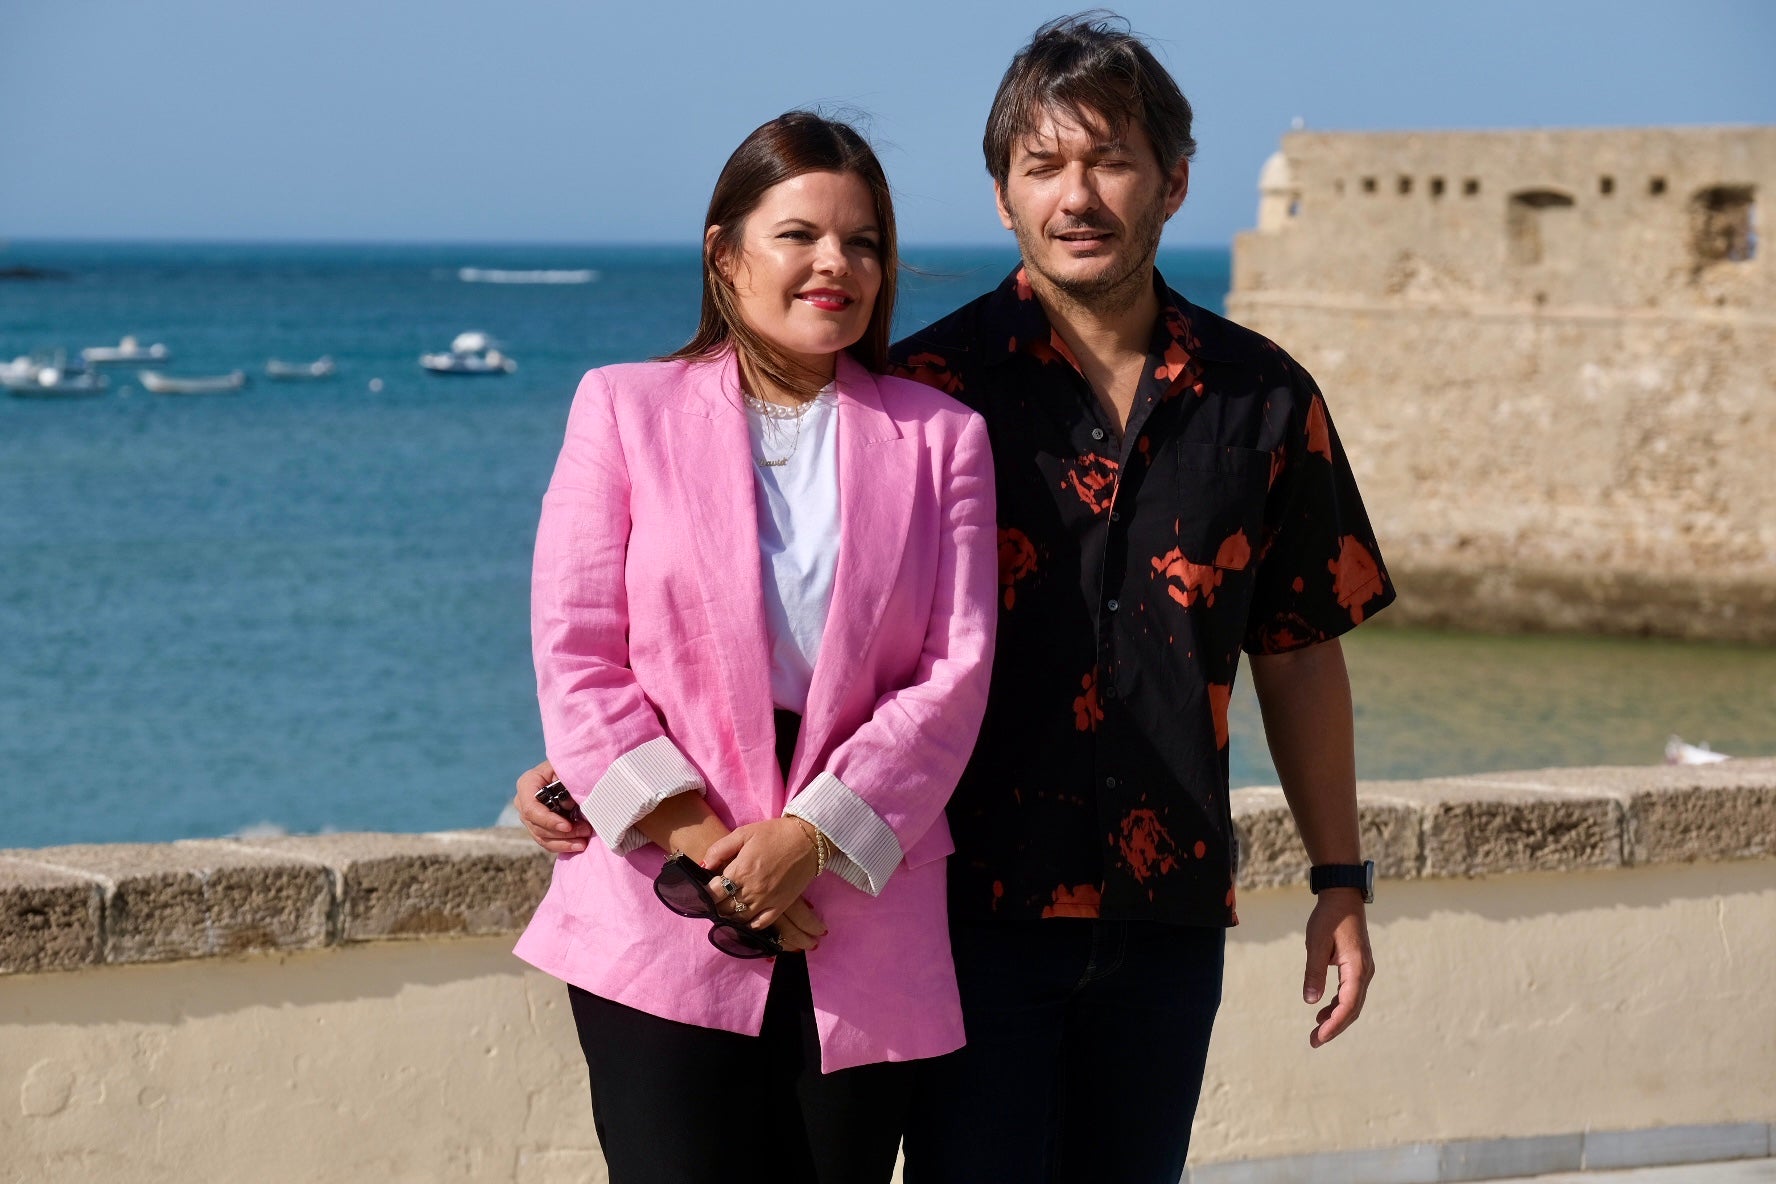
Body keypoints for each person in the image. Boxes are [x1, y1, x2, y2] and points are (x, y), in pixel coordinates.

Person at [517, 14, 1395, 1182]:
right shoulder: (923, 391)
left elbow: (1298, 650)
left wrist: (1340, 880)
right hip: (959, 908)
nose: (1076, 195)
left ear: (1175, 182)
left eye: (1111, 160)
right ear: (1001, 196)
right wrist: (590, 774)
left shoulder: (1266, 399)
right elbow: (738, 599)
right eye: (1042, 165)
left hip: (1166, 911)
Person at [511, 110, 996, 1184]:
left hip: (859, 902)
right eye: (801, 235)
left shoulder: (941, 438)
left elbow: (953, 674)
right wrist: (705, 843)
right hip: (659, 891)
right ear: (724, 253)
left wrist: (807, 840)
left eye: (864, 241)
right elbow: (577, 648)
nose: (837, 263)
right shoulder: (622, 409)